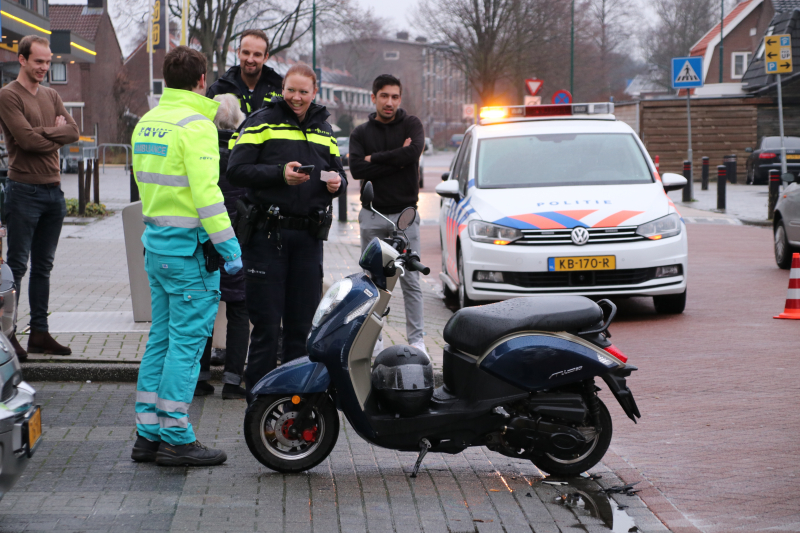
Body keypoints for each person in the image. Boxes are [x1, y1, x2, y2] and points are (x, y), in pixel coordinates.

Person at [130, 46, 242, 467]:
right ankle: (177, 435)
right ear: (202, 80)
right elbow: (208, 196)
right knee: (186, 347)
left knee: (160, 341)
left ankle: (148, 434)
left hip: (156, 248)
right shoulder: (197, 125)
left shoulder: (148, 122)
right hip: (190, 257)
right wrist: (231, 250)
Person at [227, 63, 345, 393]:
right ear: (282, 88)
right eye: (291, 90)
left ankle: (295, 402)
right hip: (267, 237)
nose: (296, 97)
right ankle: (260, 401)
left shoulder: (325, 129)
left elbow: (338, 171)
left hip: (308, 240)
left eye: (303, 92)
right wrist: (280, 174)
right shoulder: (261, 121)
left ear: (314, 92)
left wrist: (339, 182)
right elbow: (236, 170)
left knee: (301, 328)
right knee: (266, 328)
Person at [0, 35, 80, 360]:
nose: (45, 68)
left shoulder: (52, 94)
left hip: (53, 191)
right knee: (17, 266)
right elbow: (27, 143)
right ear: (22, 60)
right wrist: (53, 132)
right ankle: (8, 337)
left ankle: (40, 334)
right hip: (23, 191)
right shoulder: (8, 96)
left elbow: (73, 131)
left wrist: (43, 133)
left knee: (44, 267)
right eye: (39, 62)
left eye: (48, 62)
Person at [349, 74, 426, 354]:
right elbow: (357, 169)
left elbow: (414, 152)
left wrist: (375, 159)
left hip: (406, 216)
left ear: (400, 98)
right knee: (372, 281)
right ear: (374, 97)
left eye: (395, 97)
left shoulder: (412, 124)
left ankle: (417, 340)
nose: (389, 102)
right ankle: (375, 339)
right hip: (372, 214)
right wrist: (399, 159)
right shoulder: (361, 133)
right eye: (384, 96)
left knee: (411, 280)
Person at [194, 93, 250, 401]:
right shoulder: (244, 153)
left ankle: (200, 378)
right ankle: (232, 381)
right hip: (236, 242)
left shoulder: (200, 151)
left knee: (204, 309)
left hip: (204, 242)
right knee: (239, 311)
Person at [206, 29, 283, 116]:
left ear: (265, 57)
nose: (250, 60)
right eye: (246, 53)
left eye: (257, 55)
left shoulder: (280, 90)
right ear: (238, 53)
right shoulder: (219, 89)